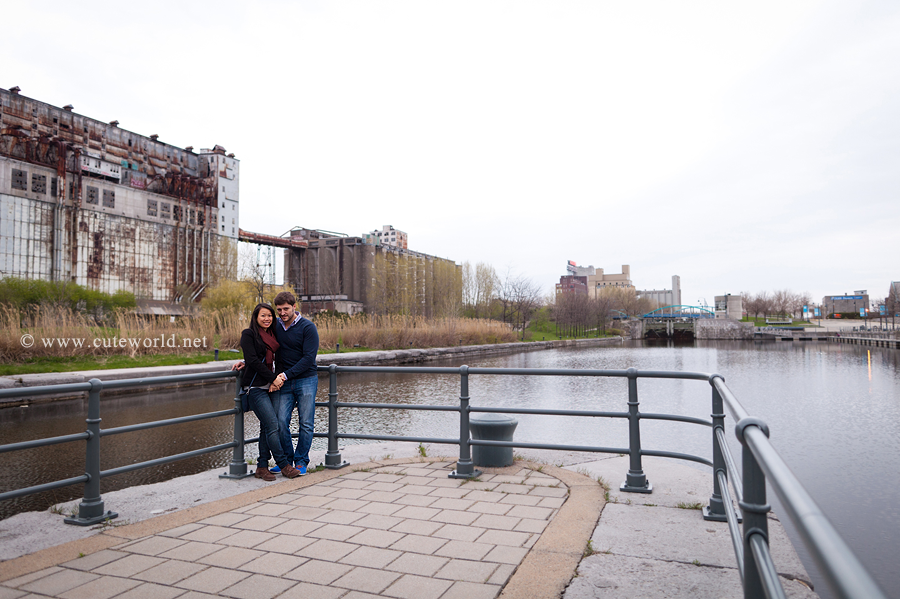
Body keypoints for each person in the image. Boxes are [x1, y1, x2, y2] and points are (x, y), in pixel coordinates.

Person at [239, 303, 301, 481]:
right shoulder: (249, 334)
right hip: (257, 387)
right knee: (273, 425)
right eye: (263, 316)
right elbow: (252, 360)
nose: (267, 319)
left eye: (269, 316)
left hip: (274, 387)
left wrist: (278, 380)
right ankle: (284, 465)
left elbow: (279, 360)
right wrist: (271, 378)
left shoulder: (274, 334)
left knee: (266, 427)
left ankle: (261, 466)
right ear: (256, 317)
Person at [269, 291, 319, 476]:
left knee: (306, 423)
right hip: (284, 382)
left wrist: (284, 376)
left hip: (306, 379)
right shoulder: (275, 326)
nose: (282, 313)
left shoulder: (308, 327)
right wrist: (246, 362)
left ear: (294, 307)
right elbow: (263, 346)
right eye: (279, 309)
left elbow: (308, 358)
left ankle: (301, 461)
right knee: (280, 422)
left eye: (286, 309)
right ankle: (286, 461)